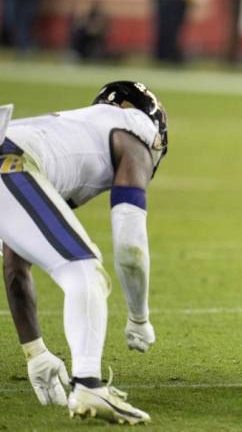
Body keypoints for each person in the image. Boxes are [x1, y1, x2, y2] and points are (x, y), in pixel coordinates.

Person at [0, 81, 168, 424]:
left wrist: (35, 351)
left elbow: (15, 263)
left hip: (10, 153)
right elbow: (130, 247)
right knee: (84, 269)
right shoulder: (134, 131)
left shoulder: (71, 133)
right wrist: (138, 317)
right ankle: (89, 384)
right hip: (10, 162)